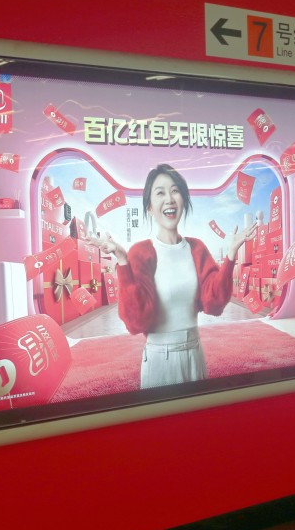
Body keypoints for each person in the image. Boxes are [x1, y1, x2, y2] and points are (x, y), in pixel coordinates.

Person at [92, 164, 255, 389]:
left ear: (183, 200)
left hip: (194, 352)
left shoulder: (197, 248)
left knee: (198, 422)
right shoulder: (140, 253)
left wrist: (230, 255)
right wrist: (122, 260)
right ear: (149, 207)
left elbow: (214, 304)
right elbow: (135, 321)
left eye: (175, 191)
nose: (169, 199)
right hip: (160, 357)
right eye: (160, 193)